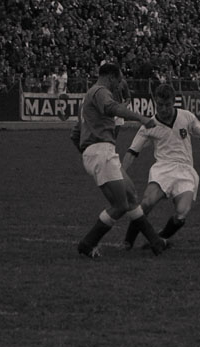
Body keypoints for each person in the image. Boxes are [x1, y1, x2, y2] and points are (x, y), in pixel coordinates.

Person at [122, 84, 200, 249]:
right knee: (146, 203)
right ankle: (128, 242)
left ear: (174, 102)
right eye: (160, 105)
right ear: (155, 102)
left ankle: (159, 239)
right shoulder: (148, 125)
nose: (163, 109)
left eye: (167, 105)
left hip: (186, 171)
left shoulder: (187, 117)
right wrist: (121, 172)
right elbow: (132, 152)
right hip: (163, 168)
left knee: (182, 213)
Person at [70, 63, 166, 258]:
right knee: (120, 205)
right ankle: (87, 244)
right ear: (111, 77)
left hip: (100, 152)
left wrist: (88, 154)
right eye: (119, 80)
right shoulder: (100, 91)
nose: (120, 84)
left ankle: (155, 242)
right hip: (101, 152)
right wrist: (141, 118)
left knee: (131, 196)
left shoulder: (88, 97)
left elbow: (75, 134)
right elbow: (111, 107)